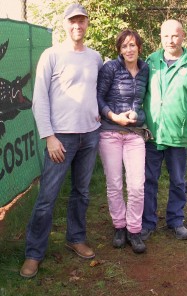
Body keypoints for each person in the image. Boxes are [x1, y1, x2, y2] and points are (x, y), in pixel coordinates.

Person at [20, 3, 103, 278]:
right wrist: (49, 136)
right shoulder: (51, 55)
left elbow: (99, 93)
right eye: (72, 21)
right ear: (65, 24)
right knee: (47, 198)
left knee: (82, 192)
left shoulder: (95, 58)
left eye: (82, 21)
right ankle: (33, 253)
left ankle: (75, 237)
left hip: (90, 136)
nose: (77, 25)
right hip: (61, 139)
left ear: (87, 24)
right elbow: (39, 98)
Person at [141, 19, 187, 241]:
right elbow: (138, 93)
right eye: (166, 36)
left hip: (179, 135)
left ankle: (175, 220)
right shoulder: (151, 62)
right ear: (160, 37)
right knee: (148, 180)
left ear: (183, 36)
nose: (170, 40)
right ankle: (148, 222)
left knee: (178, 181)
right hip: (152, 134)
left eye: (175, 35)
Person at [97, 29, 149, 253]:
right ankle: (119, 226)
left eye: (132, 45)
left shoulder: (146, 69)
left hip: (135, 135)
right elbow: (98, 97)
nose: (129, 49)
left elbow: (142, 103)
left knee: (137, 185)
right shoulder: (110, 68)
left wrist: (138, 116)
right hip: (109, 133)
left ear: (139, 47)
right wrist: (113, 116)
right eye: (124, 46)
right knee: (115, 184)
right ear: (119, 49)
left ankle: (134, 230)